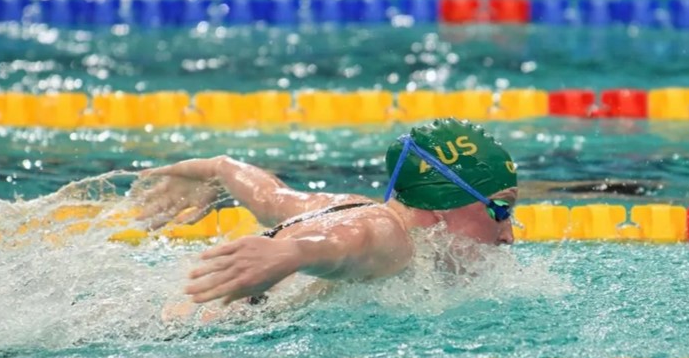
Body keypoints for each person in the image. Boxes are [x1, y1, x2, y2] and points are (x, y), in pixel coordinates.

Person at [133, 117, 518, 306]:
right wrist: (292, 254)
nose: (508, 234)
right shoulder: (394, 238)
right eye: (500, 208)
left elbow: (271, 197)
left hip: (166, 311)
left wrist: (218, 169)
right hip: (184, 334)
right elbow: (346, 244)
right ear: (444, 202)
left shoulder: (349, 206)